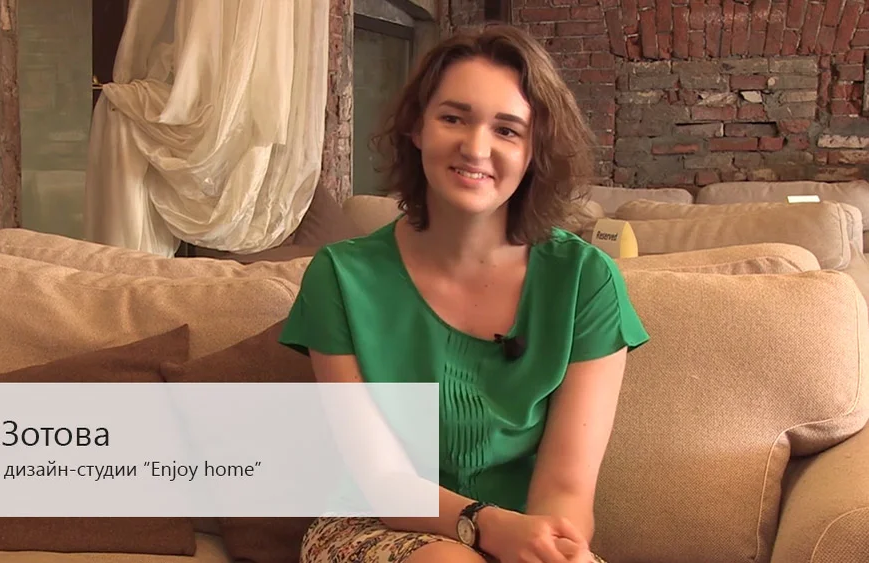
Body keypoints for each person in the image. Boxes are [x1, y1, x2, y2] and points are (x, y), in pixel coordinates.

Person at [278, 24, 650, 563]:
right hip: (376, 521)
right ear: (416, 128)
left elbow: (567, 487)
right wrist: (486, 526)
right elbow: (382, 479)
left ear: (534, 150)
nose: (476, 148)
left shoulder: (585, 280)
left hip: (524, 533)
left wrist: (546, 545)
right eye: (453, 118)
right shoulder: (341, 276)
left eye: (507, 130)